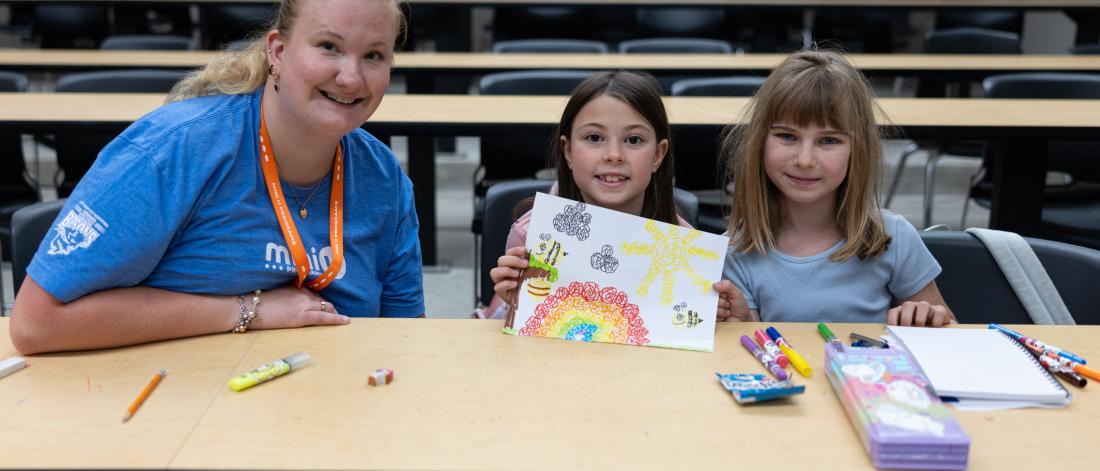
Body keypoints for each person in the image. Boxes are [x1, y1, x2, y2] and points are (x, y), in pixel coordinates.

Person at [10, 0, 424, 355]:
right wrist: (248, 310)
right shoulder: (177, 149)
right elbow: (35, 322)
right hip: (179, 406)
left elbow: (406, 339)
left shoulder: (385, 180)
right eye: (329, 47)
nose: (351, 77)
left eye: (374, 55)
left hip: (332, 413)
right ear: (278, 52)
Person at [716, 50, 955, 327]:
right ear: (759, 142)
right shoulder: (736, 250)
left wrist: (929, 320)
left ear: (858, 149)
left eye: (828, 140)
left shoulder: (893, 238)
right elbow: (754, 353)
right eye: (786, 136)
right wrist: (743, 322)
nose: (804, 160)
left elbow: (951, 335)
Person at [481, 70, 738, 320]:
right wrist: (511, 303)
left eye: (634, 140)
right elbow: (509, 338)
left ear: (658, 155)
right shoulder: (530, 234)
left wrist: (720, 316)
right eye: (594, 137)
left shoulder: (684, 250)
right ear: (568, 151)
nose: (613, 154)